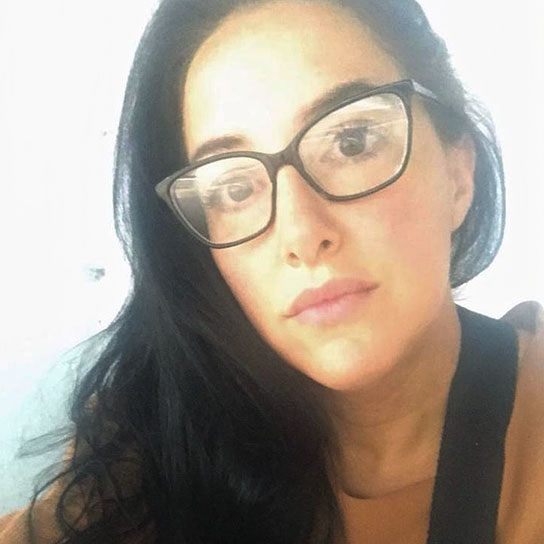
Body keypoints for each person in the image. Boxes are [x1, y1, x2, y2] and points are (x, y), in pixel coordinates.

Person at [1, 0, 543, 542]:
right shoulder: (150, 440)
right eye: (234, 188)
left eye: (351, 142)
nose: (302, 234)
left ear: (458, 175)